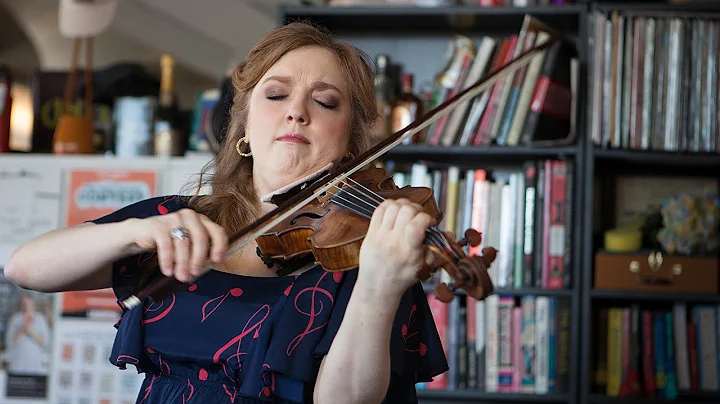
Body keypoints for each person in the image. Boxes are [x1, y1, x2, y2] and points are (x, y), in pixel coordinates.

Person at [4, 22, 450, 403]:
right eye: (276, 95)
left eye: (325, 101)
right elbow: (26, 268)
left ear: (351, 140)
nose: (296, 112)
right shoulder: (178, 220)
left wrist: (379, 282)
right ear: (246, 130)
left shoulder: (370, 252)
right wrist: (135, 232)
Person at [4, 292, 50, 375]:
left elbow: (46, 342)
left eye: (28, 302)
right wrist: (22, 330)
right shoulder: (15, 319)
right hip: (17, 364)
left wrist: (30, 332)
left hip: (35, 364)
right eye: (23, 303)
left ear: (33, 303)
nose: (26, 305)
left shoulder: (40, 319)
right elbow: (9, 342)